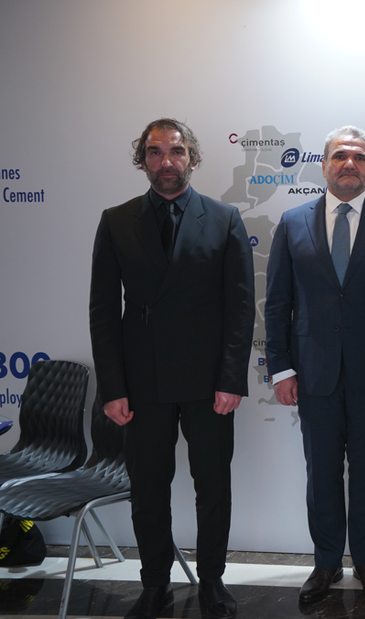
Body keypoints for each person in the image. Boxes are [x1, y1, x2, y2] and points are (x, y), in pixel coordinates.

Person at [88, 118, 254, 619]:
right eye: (155, 152)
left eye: (176, 151)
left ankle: (212, 581)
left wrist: (231, 379)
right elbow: (102, 311)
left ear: (192, 159)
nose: (166, 161)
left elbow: (240, 309)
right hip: (142, 383)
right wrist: (112, 388)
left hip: (208, 382)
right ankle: (155, 583)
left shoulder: (224, 218)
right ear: (142, 160)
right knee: (148, 489)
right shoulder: (117, 220)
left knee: (213, 487)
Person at [264, 125, 365, 603]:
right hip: (313, 373)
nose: (350, 164)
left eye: (360, 157)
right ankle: (325, 563)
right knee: (321, 474)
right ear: (324, 165)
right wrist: (281, 368)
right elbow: (278, 302)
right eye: (340, 156)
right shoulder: (292, 222)